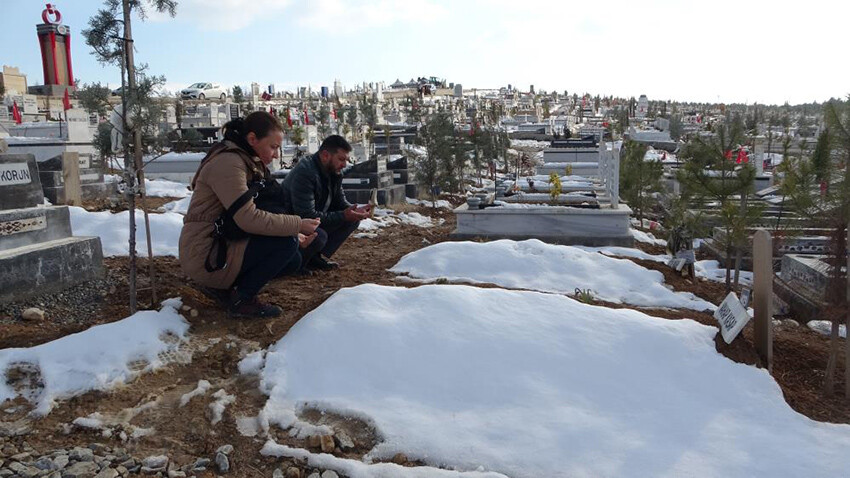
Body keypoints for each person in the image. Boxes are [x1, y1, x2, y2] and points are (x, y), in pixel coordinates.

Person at [179, 111, 320, 318]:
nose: (276, 155)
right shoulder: (228, 163)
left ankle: (229, 287)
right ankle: (241, 299)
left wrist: (293, 231)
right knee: (286, 244)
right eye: (273, 147)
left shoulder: (247, 161)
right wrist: (296, 225)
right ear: (252, 139)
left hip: (221, 242)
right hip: (205, 253)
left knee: (293, 259)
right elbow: (247, 218)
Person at [282, 135, 371, 271]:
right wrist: (344, 215)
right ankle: (296, 262)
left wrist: (354, 211)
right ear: (325, 155)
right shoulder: (305, 173)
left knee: (352, 220)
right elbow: (306, 215)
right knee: (319, 235)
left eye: (346, 160)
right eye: (341, 159)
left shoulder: (332, 171)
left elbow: (339, 201)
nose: (344, 165)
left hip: (313, 218)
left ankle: (314, 257)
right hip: (291, 222)